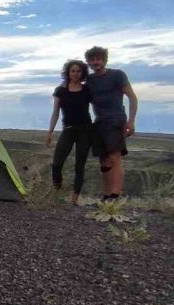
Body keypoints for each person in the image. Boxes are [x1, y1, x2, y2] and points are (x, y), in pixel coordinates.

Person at [84, 46, 138, 202]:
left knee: (115, 157)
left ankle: (114, 197)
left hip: (116, 119)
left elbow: (132, 97)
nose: (96, 62)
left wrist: (131, 121)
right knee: (104, 160)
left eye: (98, 59)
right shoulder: (90, 80)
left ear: (104, 60)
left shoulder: (117, 75)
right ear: (88, 62)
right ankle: (106, 196)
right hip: (99, 121)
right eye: (92, 59)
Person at [46, 60, 92, 205]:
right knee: (56, 164)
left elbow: (100, 105)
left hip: (85, 130)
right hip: (68, 130)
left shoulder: (87, 89)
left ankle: (74, 198)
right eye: (73, 71)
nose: (75, 74)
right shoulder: (61, 90)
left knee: (79, 165)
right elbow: (55, 113)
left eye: (78, 71)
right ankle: (57, 192)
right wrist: (50, 132)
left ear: (82, 73)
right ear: (68, 72)